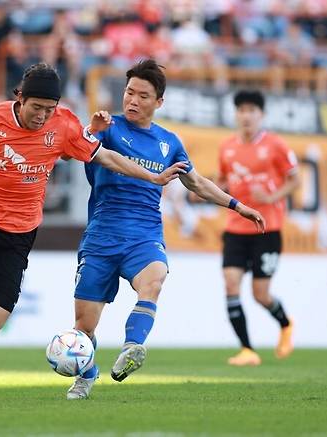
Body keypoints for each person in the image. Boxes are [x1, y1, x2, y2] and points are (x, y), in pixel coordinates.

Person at [0, 62, 187, 402]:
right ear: (20, 98)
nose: (42, 116)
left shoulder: (64, 124)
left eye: (49, 109)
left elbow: (107, 158)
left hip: (20, 233)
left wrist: (152, 177)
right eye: (36, 107)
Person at [65, 60, 266, 400]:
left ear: (158, 102)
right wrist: (91, 129)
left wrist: (238, 205)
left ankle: (132, 347)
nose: (133, 100)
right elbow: (75, 151)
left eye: (143, 95)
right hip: (102, 234)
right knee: (84, 326)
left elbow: (197, 183)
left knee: (154, 280)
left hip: (144, 234)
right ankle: (87, 373)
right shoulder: (109, 127)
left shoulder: (168, 142)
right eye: (129, 92)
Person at [217, 90, 299, 366]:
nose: (246, 115)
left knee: (260, 294)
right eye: (241, 110)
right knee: (230, 284)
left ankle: (286, 324)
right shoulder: (227, 148)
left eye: (252, 110)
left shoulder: (275, 145)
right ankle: (247, 350)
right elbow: (223, 180)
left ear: (261, 114)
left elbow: (295, 179)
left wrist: (272, 198)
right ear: (236, 114)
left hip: (267, 230)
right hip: (235, 229)